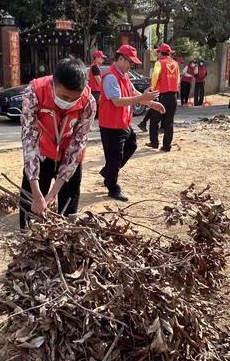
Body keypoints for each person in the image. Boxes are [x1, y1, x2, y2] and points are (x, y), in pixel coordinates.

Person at [19, 58, 97, 230]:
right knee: (30, 205)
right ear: (54, 83)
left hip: (69, 156)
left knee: (69, 210)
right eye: (63, 97)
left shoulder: (88, 102)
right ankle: (25, 238)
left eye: (73, 98)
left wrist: (53, 193)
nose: (68, 101)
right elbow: (29, 141)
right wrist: (38, 195)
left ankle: (65, 238)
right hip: (42, 152)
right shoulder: (34, 92)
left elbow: (77, 144)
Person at [99, 44, 163, 202]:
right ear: (120, 59)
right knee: (115, 158)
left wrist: (151, 104)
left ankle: (108, 172)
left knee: (132, 145)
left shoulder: (124, 75)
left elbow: (133, 92)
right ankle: (112, 186)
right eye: (130, 62)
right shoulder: (111, 77)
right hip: (111, 126)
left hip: (123, 123)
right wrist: (142, 99)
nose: (131, 65)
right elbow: (117, 102)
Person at [147, 43, 180, 153]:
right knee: (169, 122)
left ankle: (154, 142)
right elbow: (178, 80)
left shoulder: (159, 63)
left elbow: (155, 76)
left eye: (158, 52)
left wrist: (152, 88)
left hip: (161, 95)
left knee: (154, 120)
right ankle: (166, 146)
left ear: (160, 52)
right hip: (173, 96)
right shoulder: (175, 63)